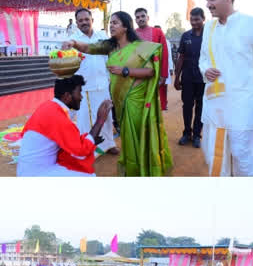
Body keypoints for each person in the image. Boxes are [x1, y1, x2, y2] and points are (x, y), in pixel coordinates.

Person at [62, 11, 173, 177]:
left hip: (136, 99)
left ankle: (144, 168)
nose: (111, 26)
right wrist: (72, 42)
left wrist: (126, 71)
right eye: (110, 23)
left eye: (115, 23)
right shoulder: (110, 46)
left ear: (126, 26)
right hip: (120, 99)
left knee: (139, 134)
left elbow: (150, 71)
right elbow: (87, 47)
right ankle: (131, 168)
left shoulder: (140, 46)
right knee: (128, 137)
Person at [199, 0, 253, 176]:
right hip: (215, 103)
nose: (208, 4)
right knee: (215, 154)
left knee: (242, 153)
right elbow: (203, 59)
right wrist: (205, 70)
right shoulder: (209, 28)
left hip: (242, 104)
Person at [17, 75, 112, 176]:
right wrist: (100, 121)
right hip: (36, 174)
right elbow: (80, 151)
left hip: (28, 169)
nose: (81, 97)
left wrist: (92, 139)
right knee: (87, 176)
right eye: (79, 92)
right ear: (67, 96)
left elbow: (70, 140)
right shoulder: (57, 116)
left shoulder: (49, 106)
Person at [71, 8, 117, 156]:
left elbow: (108, 58)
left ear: (92, 20)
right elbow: (70, 66)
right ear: (77, 23)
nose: (84, 22)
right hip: (84, 88)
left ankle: (109, 144)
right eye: (81, 20)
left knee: (107, 116)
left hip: (103, 85)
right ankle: (88, 149)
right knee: (85, 121)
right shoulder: (73, 40)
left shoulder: (102, 36)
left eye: (86, 19)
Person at [174, 7, 206, 147]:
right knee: (187, 106)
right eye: (192, 19)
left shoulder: (210, 35)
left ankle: (197, 135)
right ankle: (187, 133)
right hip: (187, 77)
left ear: (203, 19)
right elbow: (181, 57)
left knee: (201, 106)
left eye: (197, 19)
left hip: (204, 78)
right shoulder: (185, 36)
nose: (194, 22)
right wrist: (176, 77)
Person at [132, 8, 169, 111]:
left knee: (153, 103)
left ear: (147, 17)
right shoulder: (132, 34)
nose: (140, 19)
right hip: (137, 74)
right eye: (138, 17)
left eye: (143, 16)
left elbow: (164, 54)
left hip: (154, 73)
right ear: (135, 20)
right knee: (139, 103)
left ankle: (152, 126)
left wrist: (163, 74)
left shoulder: (157, 32)